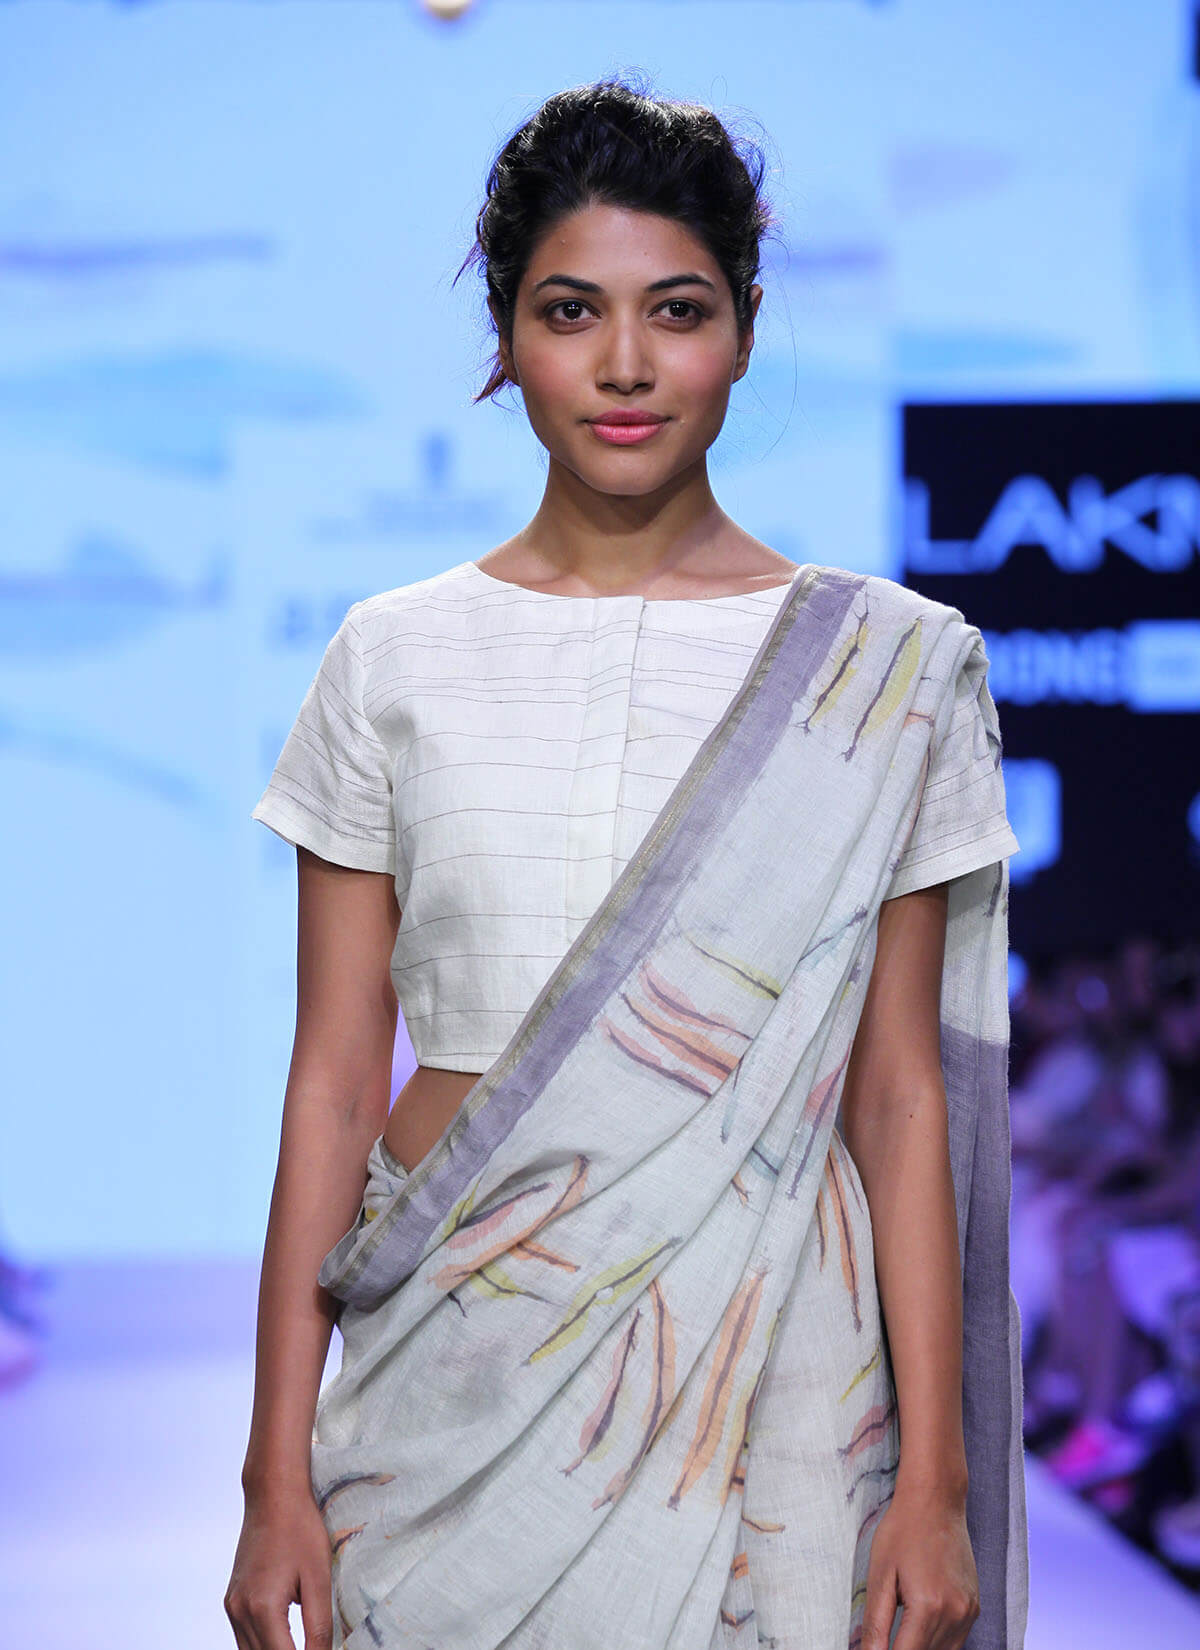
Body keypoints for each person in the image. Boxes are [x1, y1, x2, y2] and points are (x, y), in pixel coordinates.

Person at [225, 75, 1027, 1650]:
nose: (626, 365)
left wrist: (934, 1481)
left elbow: (896, 1095)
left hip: (779, 1382)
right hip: (445, 1388)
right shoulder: (391, 656)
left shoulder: (886, 669)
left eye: (678, 309)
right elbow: (331, 1080)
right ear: (506, 338)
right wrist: (271, 1478)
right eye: (569, 311)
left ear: (744, 328)